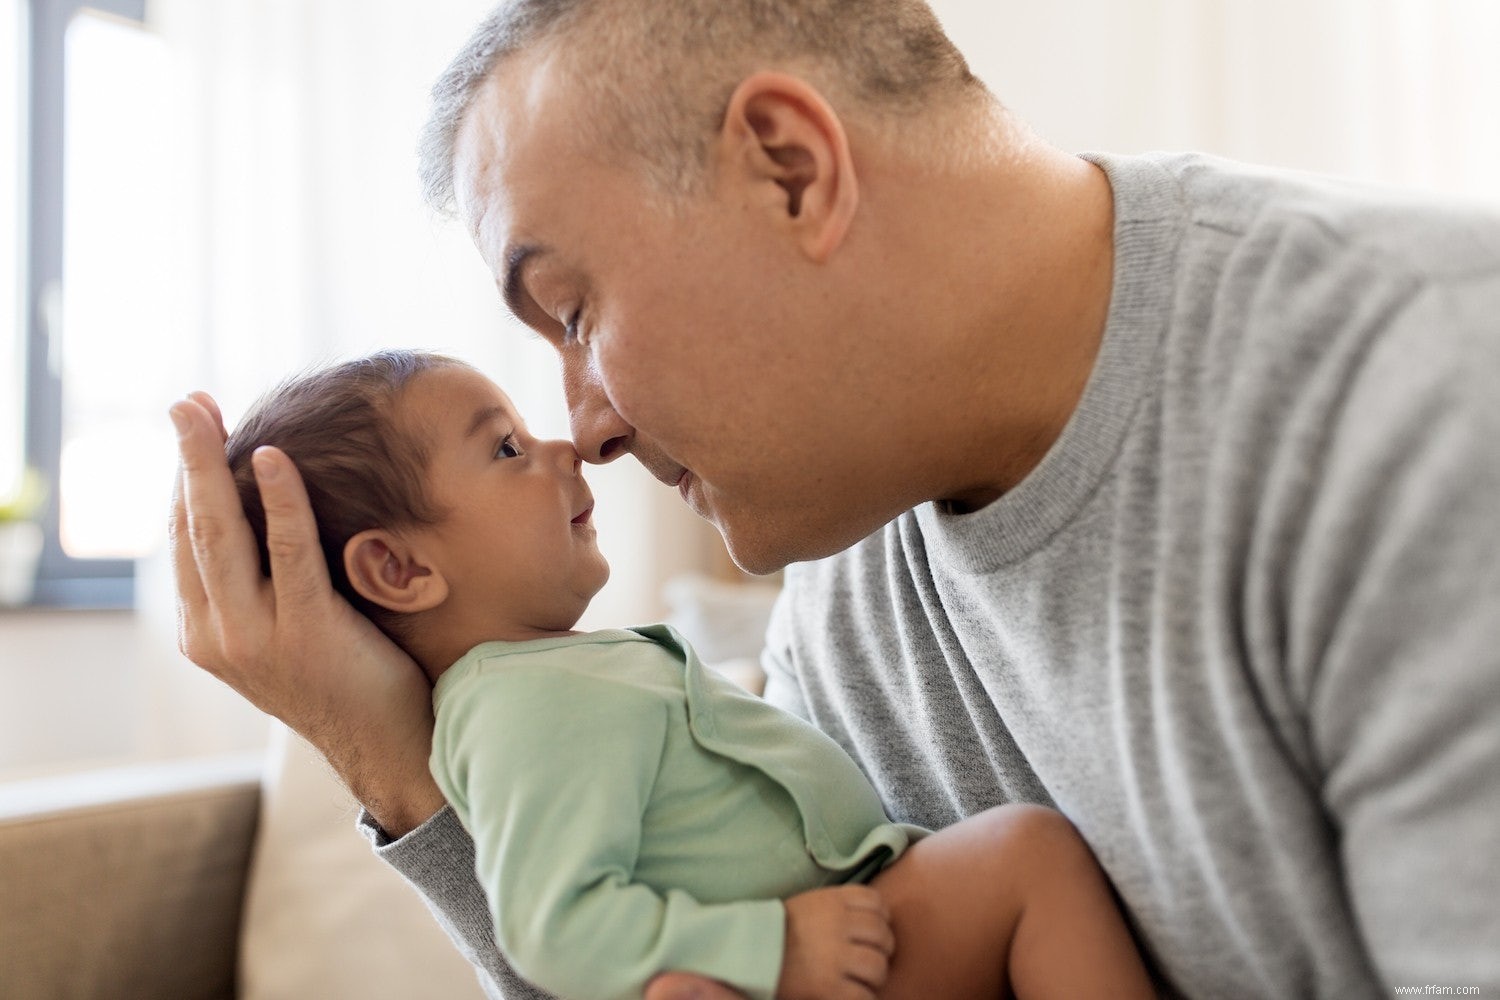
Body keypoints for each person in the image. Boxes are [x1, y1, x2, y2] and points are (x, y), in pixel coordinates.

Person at [169, 0, 1500, 997]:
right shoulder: (855, 584)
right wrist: (392, 758)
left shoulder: (1428, 399)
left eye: (573, 311)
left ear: (790, 168)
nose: (589, 430)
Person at [219, 349, 1154, 1000]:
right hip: (820, 949)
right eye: (503, 448)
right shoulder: (518, 707)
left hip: (830, 926)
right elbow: (554, 927)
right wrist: (770, 951)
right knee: (1028, 860)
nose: (563, 445)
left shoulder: (549, 681)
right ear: (400, 570)